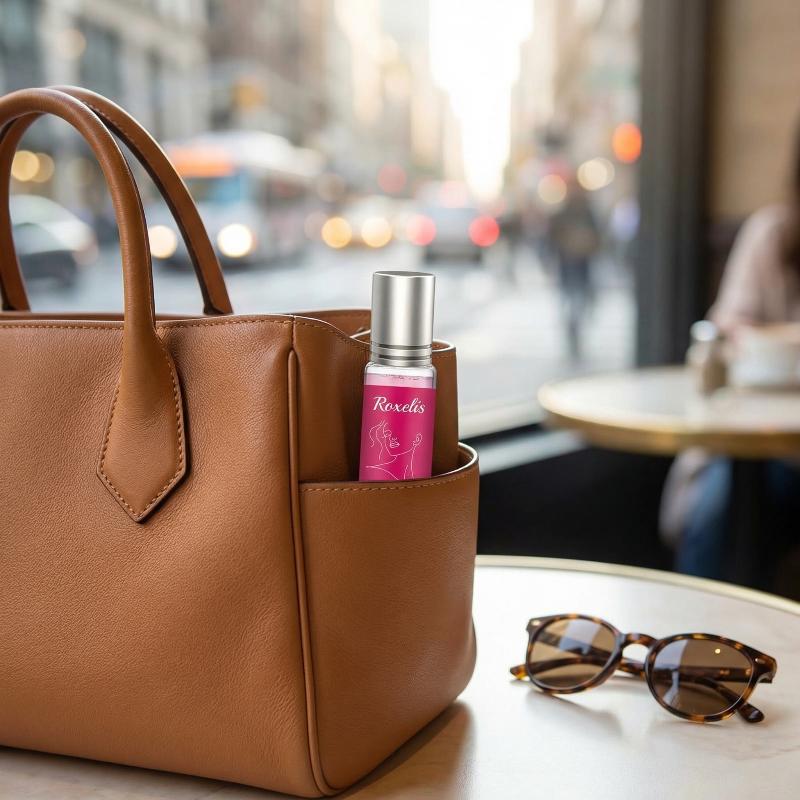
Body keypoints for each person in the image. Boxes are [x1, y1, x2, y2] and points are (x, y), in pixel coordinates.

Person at [662, 131, 800, 590]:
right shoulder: (774, 232)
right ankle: (695, 630)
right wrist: (757, 340)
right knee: (718, 513)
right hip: (761, 447)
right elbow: (725, 326)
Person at [548, 178, 600, 361]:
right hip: (568, 265)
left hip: (582, 265)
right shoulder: (565, 212)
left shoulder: (587, 211)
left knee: (581, 301)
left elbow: (598, 237)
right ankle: (572, 331)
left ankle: (575, 330)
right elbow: (553, 236)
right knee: (572, 301)